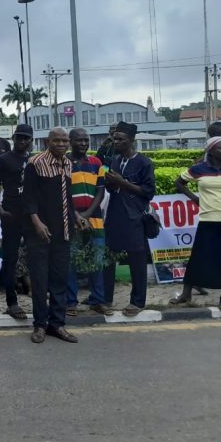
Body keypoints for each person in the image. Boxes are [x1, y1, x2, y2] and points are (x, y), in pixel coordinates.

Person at [22, 127, 83, 344]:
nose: (61, 144)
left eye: (65, 141)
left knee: (59, 280)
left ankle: (57, 325)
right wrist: (37, 222)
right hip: (39, 233)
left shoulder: (68, 164)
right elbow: (28, 197)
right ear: (48, 141)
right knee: (39, 281)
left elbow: (67, 196)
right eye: (56, 140)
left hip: (63, 232)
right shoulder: (35, 163)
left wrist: (75, 216)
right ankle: (40, 325)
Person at [103, 122, 155, 317]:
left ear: (131, 141)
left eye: (120, 139)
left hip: (134, 217)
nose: (116, 142)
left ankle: (137, 302)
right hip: (115, 215)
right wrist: (110, 183)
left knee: (137, 261)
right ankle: (106, 299)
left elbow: (148, 192)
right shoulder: (115, 160)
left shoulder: (144, 162)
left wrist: (122, 182)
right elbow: (112, 188)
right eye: (114, 138)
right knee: (108, 259)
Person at [170, 136, 221, 309]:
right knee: (198, 259)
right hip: (208, 219)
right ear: (211, 151)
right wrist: (194, 198)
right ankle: (186, 295)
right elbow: (179, 183)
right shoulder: (199, 169)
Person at [0, 123, 33, 319]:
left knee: (36, 257)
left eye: (26, 138)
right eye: (19, 137)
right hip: (11, 215)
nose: (22, 141)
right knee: (10, 258)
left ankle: (37, 296)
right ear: (14, 138)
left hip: (32, 215)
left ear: (31, 140)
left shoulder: (34, 160)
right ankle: (11, 301)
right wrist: (1, 210)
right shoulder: (2, 160)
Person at [65, 128, 112, 316]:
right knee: (71, 262)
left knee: (97, 262)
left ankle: (97, 300)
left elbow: (100, 191)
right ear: (70, 141)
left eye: (86, 140)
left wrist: (87, 214)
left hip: (96, 221)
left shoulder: (96, 162)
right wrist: (76, 215)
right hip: (70, 220)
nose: (83, 144)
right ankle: (70, 302)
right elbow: (63, 193)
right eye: (79, 140)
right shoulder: (63, 163)